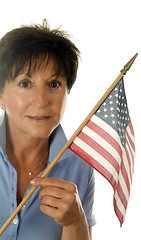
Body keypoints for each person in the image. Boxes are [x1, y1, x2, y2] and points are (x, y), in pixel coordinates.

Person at [0, 19, 96, 240]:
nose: (41, 101)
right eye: (25, 83)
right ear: (1, 95)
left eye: (53, 84)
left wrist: (74, 222)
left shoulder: (80, 167)